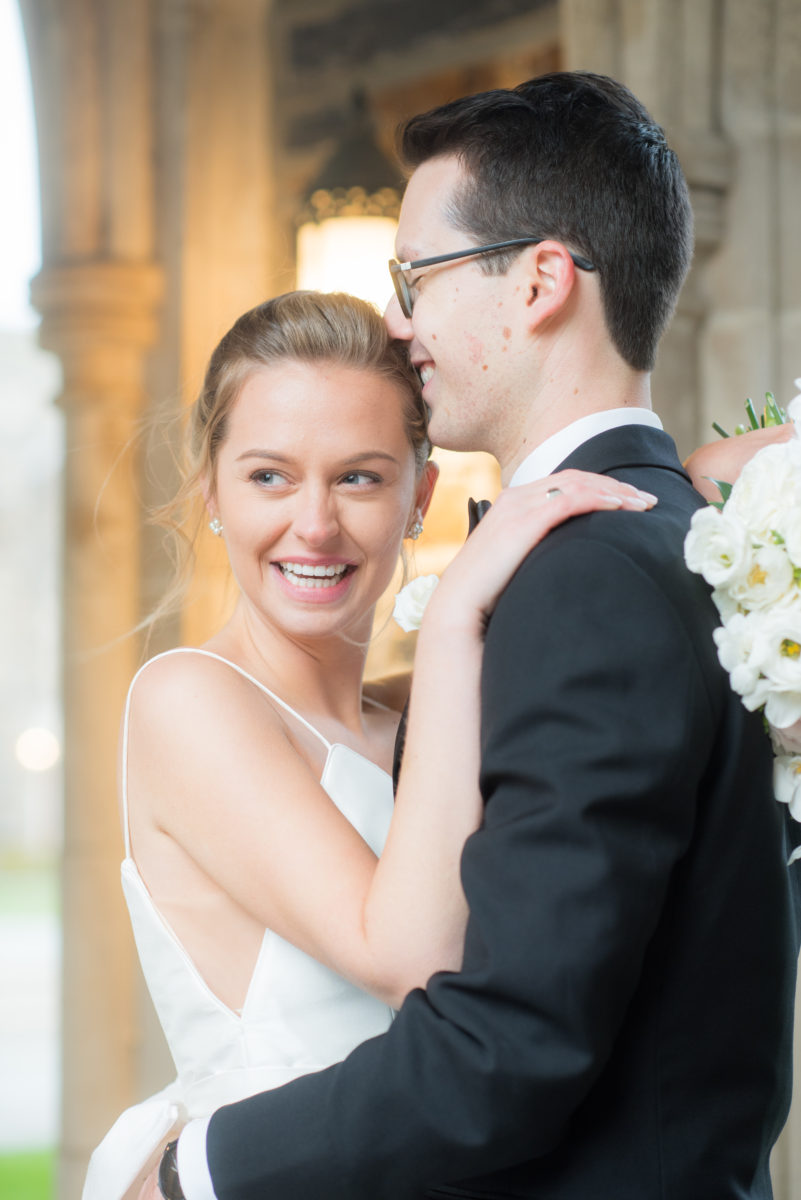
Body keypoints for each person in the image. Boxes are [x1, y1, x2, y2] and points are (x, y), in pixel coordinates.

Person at [148, 71, 801, 1200]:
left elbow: (511, 1045)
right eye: (268, 474)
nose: (401, 321)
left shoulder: (590, 576)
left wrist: (193, 1170)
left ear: (542, 279)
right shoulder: (694, 546)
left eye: (417, 277)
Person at [81, 289, 652, 1200]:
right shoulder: (188, 700)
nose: (313, 525)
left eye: (359, 477)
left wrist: (706, 484)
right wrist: (459, 605)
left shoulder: (418, 718)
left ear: (420, 494)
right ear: (210, 487)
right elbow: (409, 962)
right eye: (269, 475)